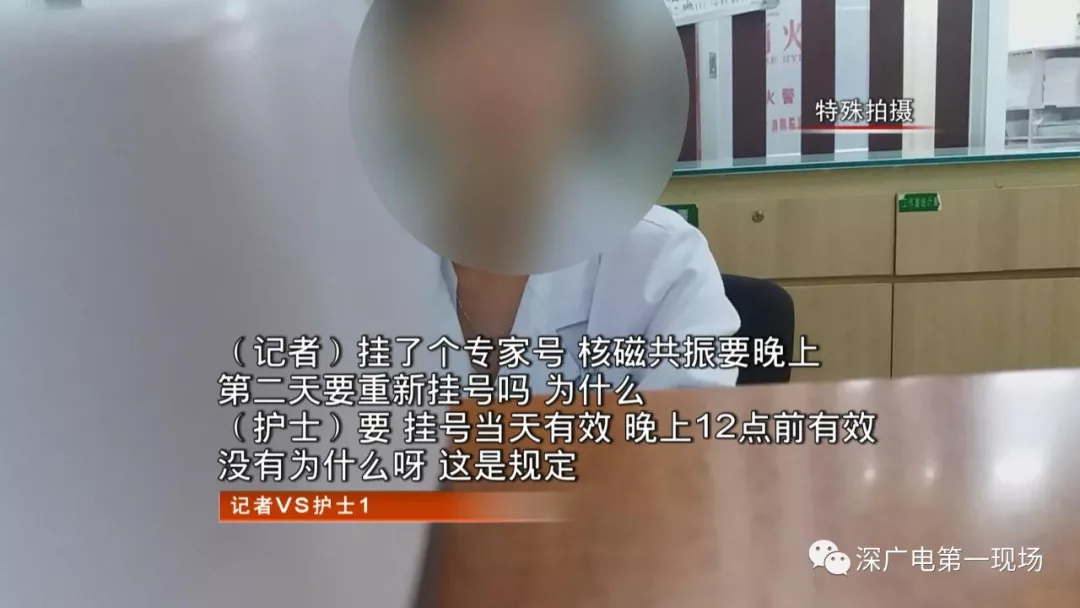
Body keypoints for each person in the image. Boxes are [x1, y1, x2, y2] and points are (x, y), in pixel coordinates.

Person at [370, 0, 741, 389]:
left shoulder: (664, 265)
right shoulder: (354, 264)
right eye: (453, 29)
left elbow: (690, 422)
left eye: (534, 27)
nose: (493, 64)